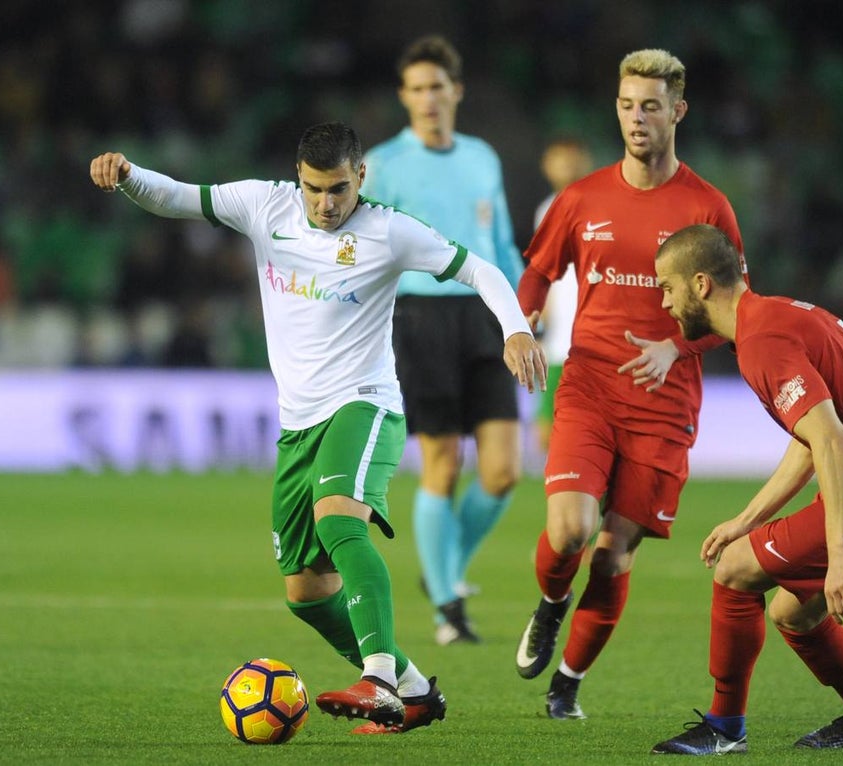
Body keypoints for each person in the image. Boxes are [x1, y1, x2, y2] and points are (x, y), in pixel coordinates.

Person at [88, 121, 546, 735]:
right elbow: (178, 197)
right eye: (313, 189)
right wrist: (129, 176)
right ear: (297, 178)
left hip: (365, 405)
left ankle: (379, 679)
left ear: (361, 176)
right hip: (297, 424)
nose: (325, 204)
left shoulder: (389, 231)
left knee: (338, 520)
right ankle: (412, 690)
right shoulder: (265, 205)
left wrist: (515, 328)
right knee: (305, 591)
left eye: (337, 189)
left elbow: (481, 271)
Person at [648, 224, 843, 755]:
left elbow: (832, 440)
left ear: (700, 284)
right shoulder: (780, 315)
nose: (664, 303)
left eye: (666, 288)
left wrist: (839, 553)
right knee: (793, 613)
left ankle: (724, 727)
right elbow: (813, 438)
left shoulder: (762, 342)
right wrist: (747, 518)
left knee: (735, 571)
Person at [514, 49, 746, 719]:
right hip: (588, 384)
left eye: (650, 106)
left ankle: (568, 683)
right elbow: (538, 270)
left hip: (665, 403)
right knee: (569, 530)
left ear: (678, 111)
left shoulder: (708, 206)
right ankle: (551, 605)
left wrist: (678, 346)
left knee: (614, 557)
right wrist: (521, 321)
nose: (636, 118)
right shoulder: (582, 198)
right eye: (625, 105)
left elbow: (739, 308)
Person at [362, 35, 527, 645]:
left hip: (485, 315)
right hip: (420, 318)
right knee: (440, 463)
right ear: (404, 97)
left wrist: (519, 316)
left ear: (456, 91)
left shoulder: (483, 157)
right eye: (416, 89)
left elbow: (502, 239)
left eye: (437, 87)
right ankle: (446, 614)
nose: (428, 98)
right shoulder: (381, 165)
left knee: (504, 470)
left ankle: (444, 573)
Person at [531, 136, 594, 456]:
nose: (566, 166)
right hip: (558, 342)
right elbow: (546, 274)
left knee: (587, 435)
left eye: (573, 158)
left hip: (593, 338)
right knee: (546, 434)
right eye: (559, 159)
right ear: (546, 165)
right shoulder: (545, 209)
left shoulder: (600, 205)